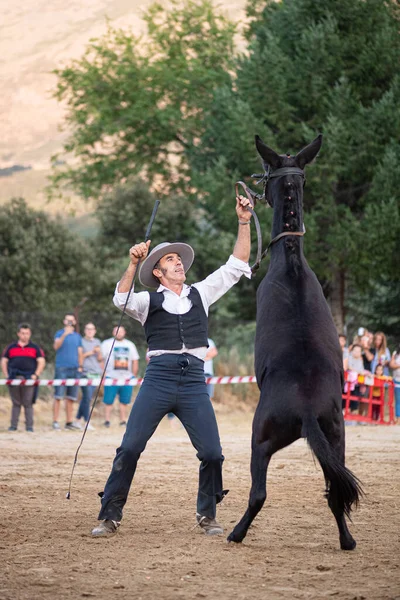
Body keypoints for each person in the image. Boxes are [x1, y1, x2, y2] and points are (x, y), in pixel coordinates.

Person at [91, 194, 252, 538]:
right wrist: (133, 264)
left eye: (179, 259)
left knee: (213, 452)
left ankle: (207, 514)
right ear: (159, 273)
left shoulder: (202, 292)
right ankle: (109, 515)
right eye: (170, 260)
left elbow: (237, 264)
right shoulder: (148, 301)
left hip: (194, 381)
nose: (179, 263)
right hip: (159, 379)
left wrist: (243, 221)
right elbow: (121, 298)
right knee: (130, 447)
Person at [1, 323, 45, 432]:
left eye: (27, 333)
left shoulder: (35, 348)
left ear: (30, 334)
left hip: (29, 378)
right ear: (18, 334)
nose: (24, 335)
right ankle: (13, 426)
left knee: (28, 403)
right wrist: (7, 375)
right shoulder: (10, 347)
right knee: (16, 403)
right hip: (14, 377)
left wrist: (35, 375)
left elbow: (41, 361)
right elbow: (4, 361)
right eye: (22, 333)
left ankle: (29, 427)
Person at [101, 326, 139, 427]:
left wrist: (133, 376)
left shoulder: (130, 345)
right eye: (116, 331)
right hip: (111, 377)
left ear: (124, 332)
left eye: (121, 331)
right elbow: (101, 359)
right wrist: (104, 374)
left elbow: (135, 360)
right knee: (108, 400)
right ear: (113, 332)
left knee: (124, 401)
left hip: (126, 378)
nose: (119, 333)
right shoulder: (106, 344)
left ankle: (123, 421)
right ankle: (107, 421)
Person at [53, 313, 83, 431]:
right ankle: (55, 421)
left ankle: (69, 421)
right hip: (62, 368)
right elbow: (56, 346)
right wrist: (65, 334)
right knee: (58, 396)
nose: (70, 322)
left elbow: (80, 351)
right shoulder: (59, 333)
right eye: (68, 320)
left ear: (74, 322)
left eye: (72, 321)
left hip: (74, 369)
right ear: (64, 322)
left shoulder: (77, 336)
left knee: (71, 397)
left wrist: (80, 366)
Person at [75, 322, 104, 430]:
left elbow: (100, 359)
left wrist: (98, 352)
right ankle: (87, 422)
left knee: (86, 398)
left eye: (92, 329)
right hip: (85, 372)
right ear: (85, 330)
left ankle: (77, 421)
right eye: (88, 329)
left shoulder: (97, 342)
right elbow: (80, 356)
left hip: (95, 373)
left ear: (95, 331)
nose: (90, 331)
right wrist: (91, 352)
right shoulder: (81, 342)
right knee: (87, 397)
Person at [389, 345, 400, 423]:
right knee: (398, 400)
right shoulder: (395, 354)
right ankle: (398, 418)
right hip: (397, 380)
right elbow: (391, 364)